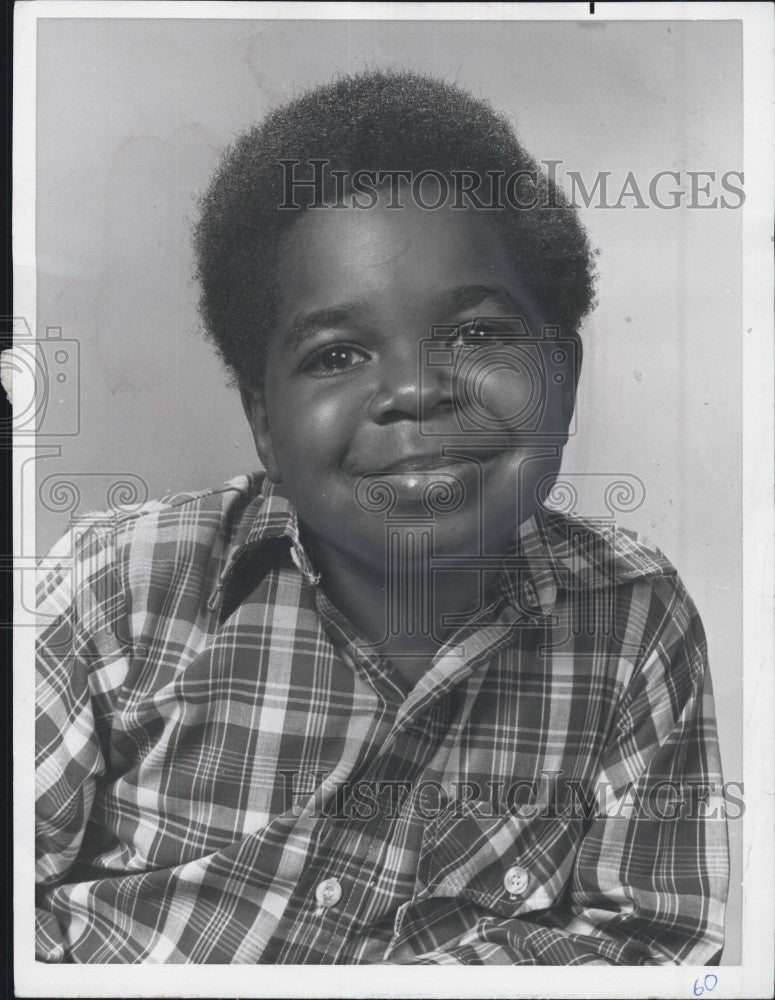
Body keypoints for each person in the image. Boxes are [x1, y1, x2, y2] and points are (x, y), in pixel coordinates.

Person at [35, 70, 729, 964]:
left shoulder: (634, 621)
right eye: (339, 353)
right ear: (264, 425)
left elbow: (647, 943)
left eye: (476, 336)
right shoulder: (124, 583)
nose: (412, 390)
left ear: (564, 373)